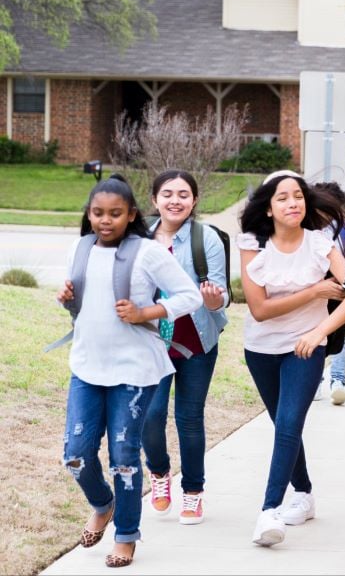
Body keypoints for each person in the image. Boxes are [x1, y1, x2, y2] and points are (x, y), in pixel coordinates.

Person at [57, 174, 202, 568]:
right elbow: (80, 300)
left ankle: (125, 535)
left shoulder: (148, 252)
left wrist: (147, 312)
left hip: (135, 373)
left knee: (124, 454)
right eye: (98, 213)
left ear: (132, 214)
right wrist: (65, 297)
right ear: (89, 214)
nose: (106, 220)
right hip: (87, 367)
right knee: (75, 455)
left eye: (115, 214)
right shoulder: (79, 247)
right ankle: (102, 504)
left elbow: (189, 296)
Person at [237, 170, 345, 547]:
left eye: (297, 195)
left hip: (305, 348)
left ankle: (268, 512)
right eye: (282, 197)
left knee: (289, 422)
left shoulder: (320, 243)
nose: (292, 203)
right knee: (284, 425)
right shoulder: (253, 244)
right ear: (268, 208)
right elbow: (260, 309)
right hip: (261, 348)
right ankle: (305, 493)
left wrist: (319, 332)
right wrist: (315, 291)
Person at [140, 170, 229, 525]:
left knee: (189, 419)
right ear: (154, 200)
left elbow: (218, 300)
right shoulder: (139, 238)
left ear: (194, 200)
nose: (175, 200)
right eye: (167, 193)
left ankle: (193, 492)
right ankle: (160, 474)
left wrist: (210, 300)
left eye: (183, 194)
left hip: (196, 342)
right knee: (150, 415)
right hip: (149, 342)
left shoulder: (205, 238)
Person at [310, 181, 345, 406]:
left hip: (340, 292)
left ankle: (338, 382)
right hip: (313, 294)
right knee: (314, 334)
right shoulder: (304, 227)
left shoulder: (344, 228)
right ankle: (314, 381)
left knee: (338, 335)